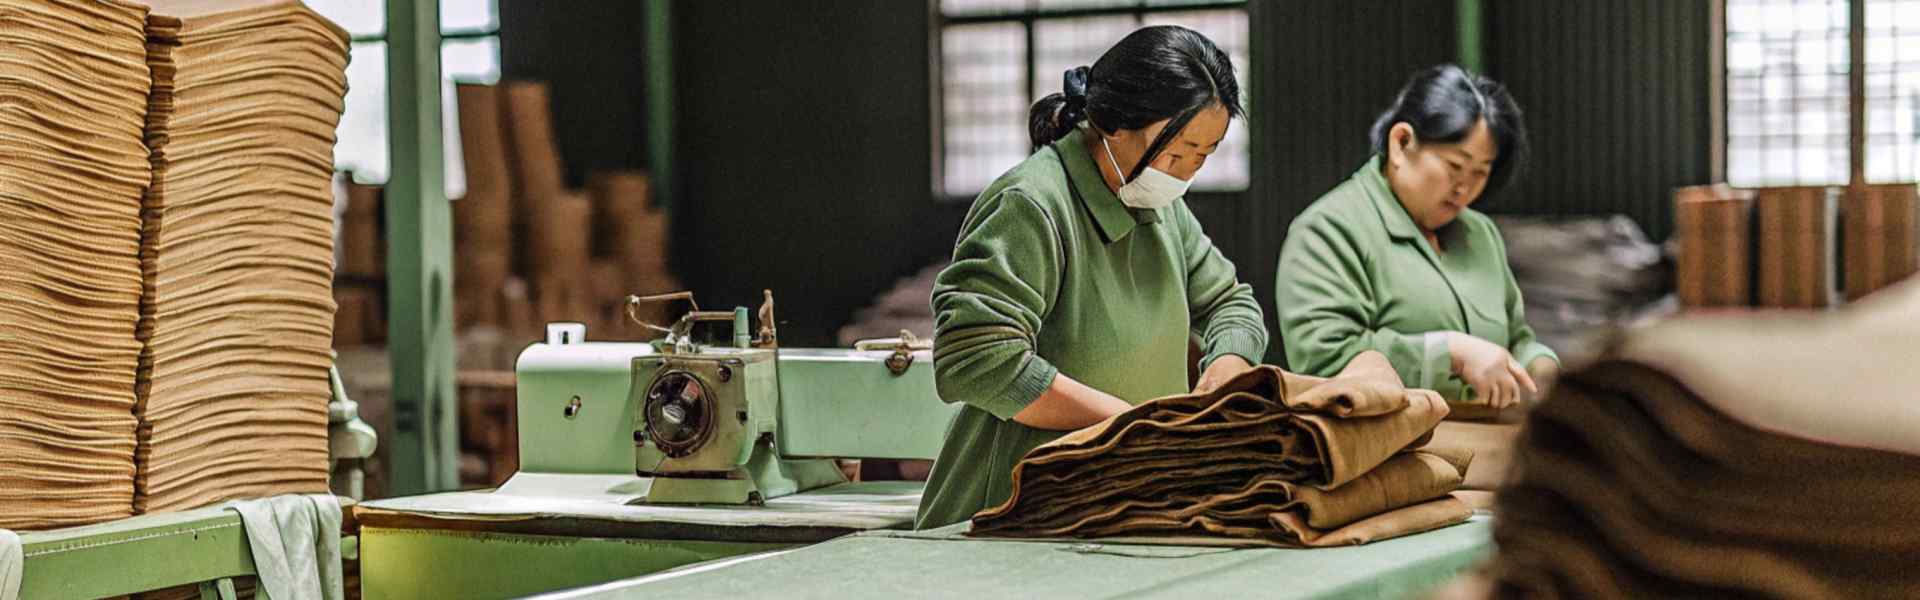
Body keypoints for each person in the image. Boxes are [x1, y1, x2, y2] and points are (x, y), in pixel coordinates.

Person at [914, 26, 1266, 530]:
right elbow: (976, 359)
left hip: (1121, 495)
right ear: (1116, 124)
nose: (1187, 173)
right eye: (1176, 152)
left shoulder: (1165, 210)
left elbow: (1231, 303)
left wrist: (1225, 372)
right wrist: (1126, 422)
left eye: (1203, 156)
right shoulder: (1031, 203)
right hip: (1010, 509)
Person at [1275, 64, 1557, 419]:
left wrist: (1543, 370)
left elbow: (1516, 340)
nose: (1464, 188)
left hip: (1487, 441)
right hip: (1387, 453)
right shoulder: (1327, 231)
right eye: (1455, 166)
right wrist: (1450, 353)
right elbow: (1326, 360)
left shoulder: (1481, 234)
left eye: (1481, 172)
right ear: (1401, 143)